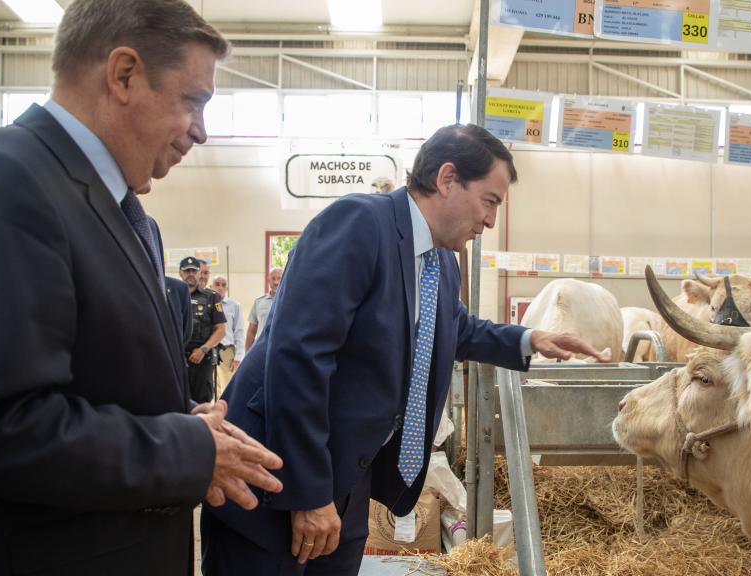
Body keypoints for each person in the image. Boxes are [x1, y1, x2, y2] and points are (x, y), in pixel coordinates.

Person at [0, 1, 283, 574]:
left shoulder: (116, 209)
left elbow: (91, 382)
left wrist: (184, 420)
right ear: (123, 74)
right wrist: (186, 452)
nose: (202, 130)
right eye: (194, 100)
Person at [201, 124, 608, 575]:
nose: (491, 221)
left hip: (347, 476)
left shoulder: (442, 264)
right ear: (447, 179)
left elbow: (454, 328)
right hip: (279, 473)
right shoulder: (359, 224)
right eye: (489, 201)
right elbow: (298, 359)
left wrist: (529, 339)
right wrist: (311, 494)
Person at [180, 257, 226, 404]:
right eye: (187, 271)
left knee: (203, 403)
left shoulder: (212, 297)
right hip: (178, 359)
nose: (190, 274)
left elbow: (221, 331)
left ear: (200, 273)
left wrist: (203, 349)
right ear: (181, 273)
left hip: (202, 360)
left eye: (194, 271)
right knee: (179, 401)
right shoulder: (173, 295)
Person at [210, 274, 246, 392]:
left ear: (227, 288)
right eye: (217, 284)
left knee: (227, 390)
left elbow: (239, 332)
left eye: (223, 285)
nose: (220, 287)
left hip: (227, 353)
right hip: (208, 351)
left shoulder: (234, 306)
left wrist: (238, 357)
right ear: (211, 286)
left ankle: (227, 411)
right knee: (211, 390)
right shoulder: (206, 304)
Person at [246, 267, 283, 350]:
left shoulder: (290, 301)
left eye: (279, 278)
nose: (276, 282)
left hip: (282, 349)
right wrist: (247, 353)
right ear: (268, 280)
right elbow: (251, 331)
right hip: (262, 349)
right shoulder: (259, 302)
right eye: (273, 278)